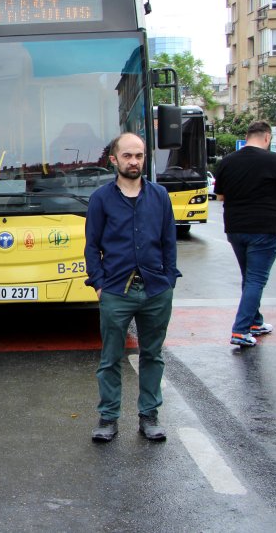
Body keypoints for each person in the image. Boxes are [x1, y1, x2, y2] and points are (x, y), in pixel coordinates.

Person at [84, 133, 179, 443]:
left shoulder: (160, 196)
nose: (134, 161)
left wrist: (168, 281)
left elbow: (169, 241)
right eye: (127, 156)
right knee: (110, 358)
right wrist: (99, 284)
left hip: (156, 290)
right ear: (114, 159)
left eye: (139, 155)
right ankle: (108, 418)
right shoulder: (101, 198)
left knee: (152, 355)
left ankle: (149, 416)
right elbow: (92, 246)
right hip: (115, 290)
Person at [214, 121, 276, 347]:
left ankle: (255, 322)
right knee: (256, 279)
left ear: (247, 136)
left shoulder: (227, 161)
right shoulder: (273, 160)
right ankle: (240, 330)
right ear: (267, 137)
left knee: (250, 277)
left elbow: (220, 196)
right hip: (264, 228)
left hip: (235, 228)